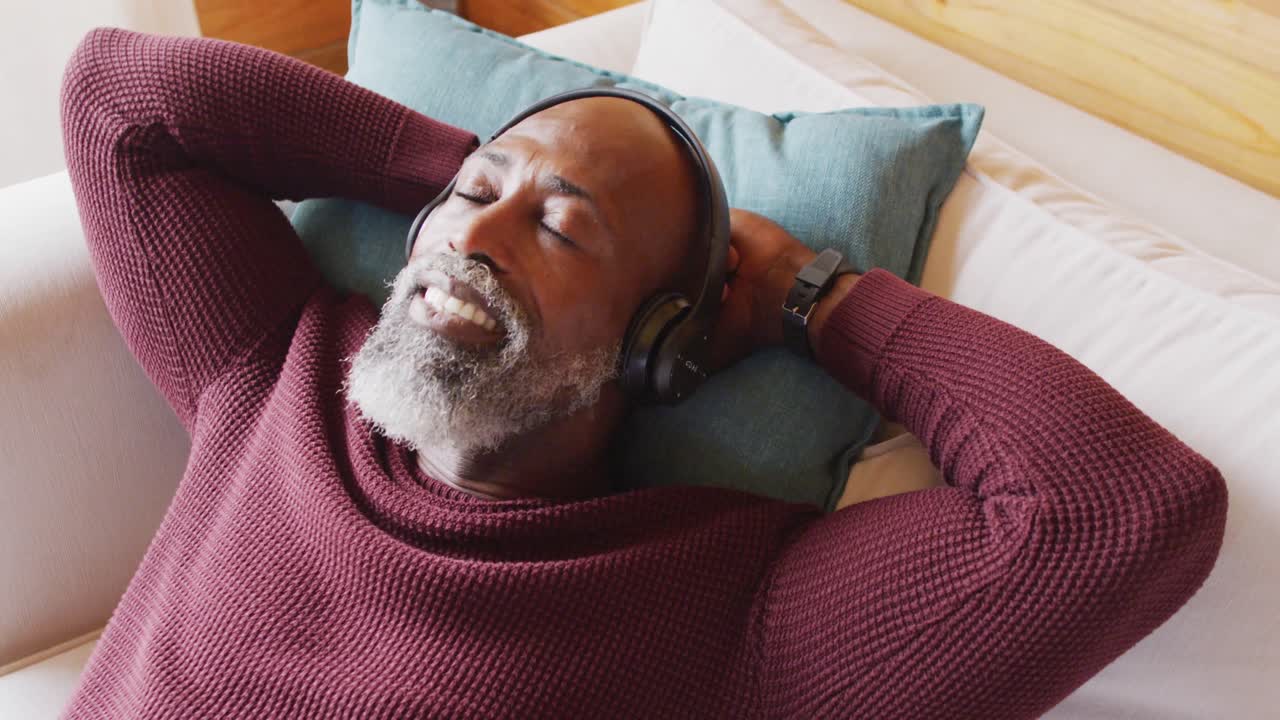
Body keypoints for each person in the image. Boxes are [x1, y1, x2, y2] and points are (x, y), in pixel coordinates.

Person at [58, 27, 1227, 720]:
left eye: (559, 229)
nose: (477, 235)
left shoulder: (726, 614)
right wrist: (452, 159)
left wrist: (815, 301)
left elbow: (1117, 509)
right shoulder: (276, 368)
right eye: (469, 203)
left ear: (655, 341)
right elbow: (119, 97)